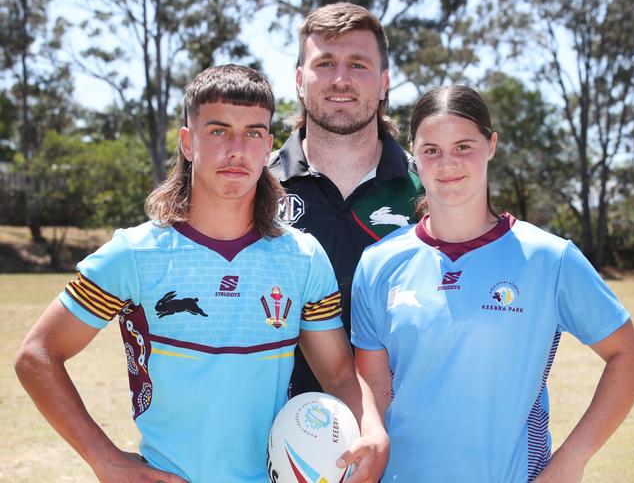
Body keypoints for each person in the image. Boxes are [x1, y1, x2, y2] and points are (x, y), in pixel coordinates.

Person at [14, 64, 388, 483]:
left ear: (268, 147)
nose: (237, 150)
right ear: (188, 143)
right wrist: (105, 459)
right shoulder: (135, 253)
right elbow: (37, 356)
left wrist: (369, 425)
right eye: (218, 131)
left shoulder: (301, 257)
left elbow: (337, 375)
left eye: (253, 133)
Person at [351, 85, 634, 482]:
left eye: (463, 146)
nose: (447, 164)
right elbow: (375, 387)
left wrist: (571, 460)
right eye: (431, 150)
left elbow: (631, 356)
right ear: (414, 156)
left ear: (491, 145)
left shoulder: (548, 257)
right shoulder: (379, 262)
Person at [269, 2, 422, 397]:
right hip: (270, 439)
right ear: (300, 79)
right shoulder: (255, 186)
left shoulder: (428, 189)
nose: (340, 79)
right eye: (325, 64)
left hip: (403, 441)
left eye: (358, 64)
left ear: (384, 81)